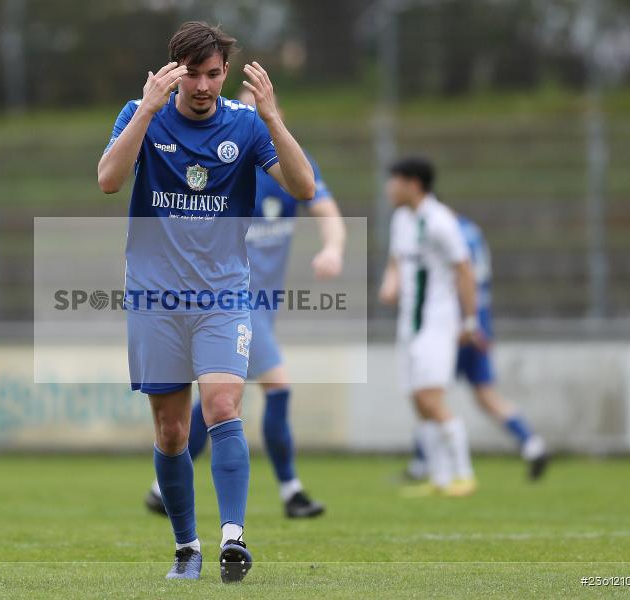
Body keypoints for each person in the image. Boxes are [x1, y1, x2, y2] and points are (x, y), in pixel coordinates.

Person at [97, 21, 315, 581]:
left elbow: (304, 188)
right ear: (174, 73)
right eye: (192, 74)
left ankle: (233, 539)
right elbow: (109, 180)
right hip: (155, 299)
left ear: (225, 73)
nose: (202, 86)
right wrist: (146, 111)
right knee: (171, 432)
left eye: (212, 74)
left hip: (223, 295)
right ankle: (186, 547)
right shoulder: (140, 113)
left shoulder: (246, 125)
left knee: (222, 407)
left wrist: (273, 118)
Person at [144, 86, 345, 519]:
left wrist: (333, 248)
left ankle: (164, 486)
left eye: (258, 111)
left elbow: (325, 208)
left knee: (218, 403)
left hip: (263, 306)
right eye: (242, 110)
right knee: (274, 387)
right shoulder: (219, 161)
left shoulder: (288, 164)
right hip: (228, 297)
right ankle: (291, 490)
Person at [405, 215, 548, 482]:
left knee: (427, 393)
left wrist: (465, 323)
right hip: (481, 321)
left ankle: (424, 463)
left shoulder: (444, 231)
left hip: (458, 327)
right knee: (485, 394)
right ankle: (532, 444)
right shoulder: (472, 231)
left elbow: (459, 279)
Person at [378, 157, 478, 498]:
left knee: (430, 398)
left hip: (437, 323)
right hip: (409, 323)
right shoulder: (401, 219)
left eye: (394, 181)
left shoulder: (440, 221)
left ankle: (464, 474)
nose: (389, 188)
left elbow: (464, 270)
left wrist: (469, 320)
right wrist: (390, 282)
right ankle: (439, 477)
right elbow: (396, 260)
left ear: (413, 184)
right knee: (417, 400)